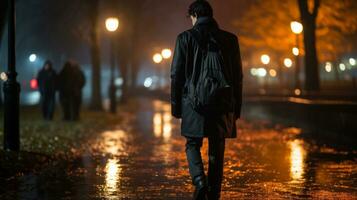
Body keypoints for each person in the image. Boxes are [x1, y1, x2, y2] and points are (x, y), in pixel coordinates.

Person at [170, 1, 243, 199]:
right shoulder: (230, 39)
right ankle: (214, 192)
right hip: (222, 103)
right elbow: (237, 77)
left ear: (194, 15)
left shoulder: (185, 38)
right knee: (217, 147)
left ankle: (199, 180)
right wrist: (236, 108)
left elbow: (176, 75)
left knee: (192, 144)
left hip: (194, 105)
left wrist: (176, 107)